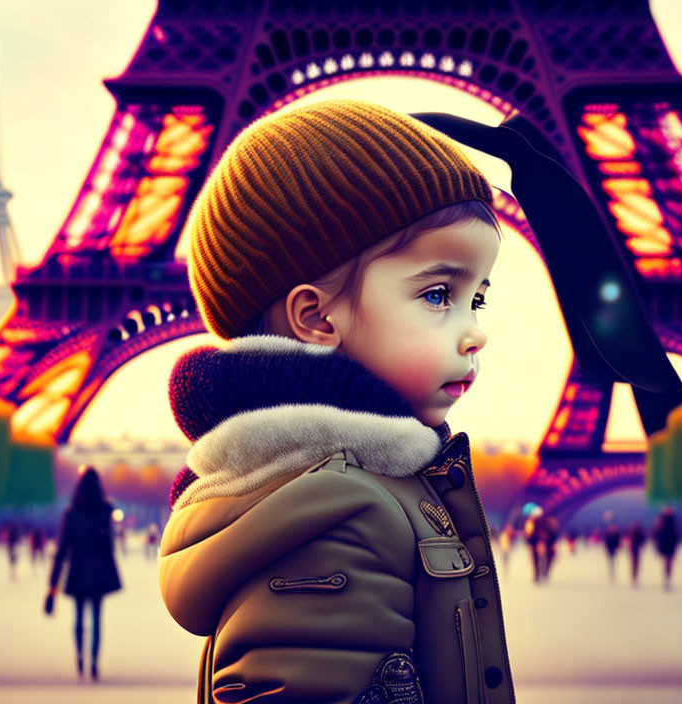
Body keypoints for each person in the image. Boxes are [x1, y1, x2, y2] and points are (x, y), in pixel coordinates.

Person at [159, 99, 514, 702]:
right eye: (436, 294)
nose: (474, 330)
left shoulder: (348, 488)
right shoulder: (343, 514)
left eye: (474, 298)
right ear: (316, 317)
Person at [46, 466, 121, 681]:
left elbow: (62, 550)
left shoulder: (71, 513)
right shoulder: (105, 510)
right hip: (98, 569)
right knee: (97, 618)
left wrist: (53, 583)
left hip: (77, 569)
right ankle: (95, 662)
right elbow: (108, 545)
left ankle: (79, 656)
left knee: (78, 617)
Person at [652, 506, 680, 591]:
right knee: (667, 563)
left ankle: (667, 578)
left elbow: (676, 534)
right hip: (665, 545)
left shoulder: (670, 520)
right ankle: (666, 578)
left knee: (668, 563)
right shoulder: (663, 520)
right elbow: (657, 533)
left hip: (670, 545)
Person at [627, 522, 646, 588]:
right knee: (636, 565)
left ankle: (634, 578)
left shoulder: (632, 534)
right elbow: (642, 541)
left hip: (633, 550)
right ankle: (635, 578)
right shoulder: (638, 534)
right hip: (635, 551)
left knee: (634, 565)